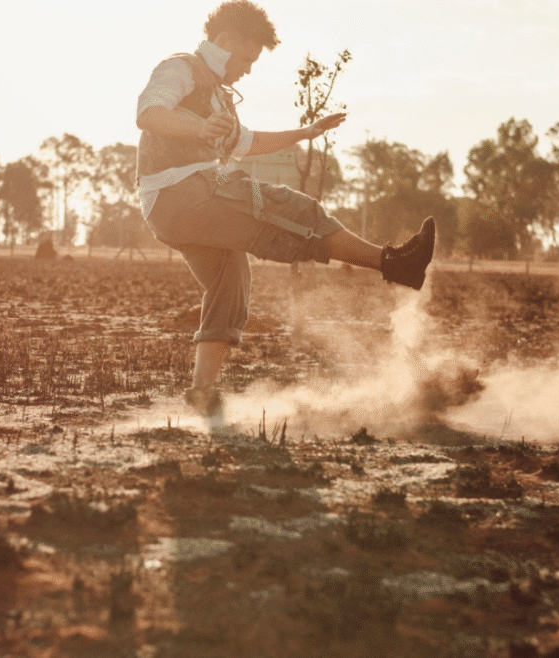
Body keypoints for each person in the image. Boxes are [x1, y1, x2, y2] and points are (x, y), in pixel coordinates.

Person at [136, 0, 435, 423]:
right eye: (247, 58)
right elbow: (149, 114)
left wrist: (307, 132)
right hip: (183, 192)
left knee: (231, 278)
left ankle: (202, 393)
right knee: (294, 211)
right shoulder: (180, 68)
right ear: (224, 41)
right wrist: (199, 128)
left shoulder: (219, 96)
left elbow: (248, 143)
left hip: (172, 209)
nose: (249, 69)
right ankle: (395, 263)